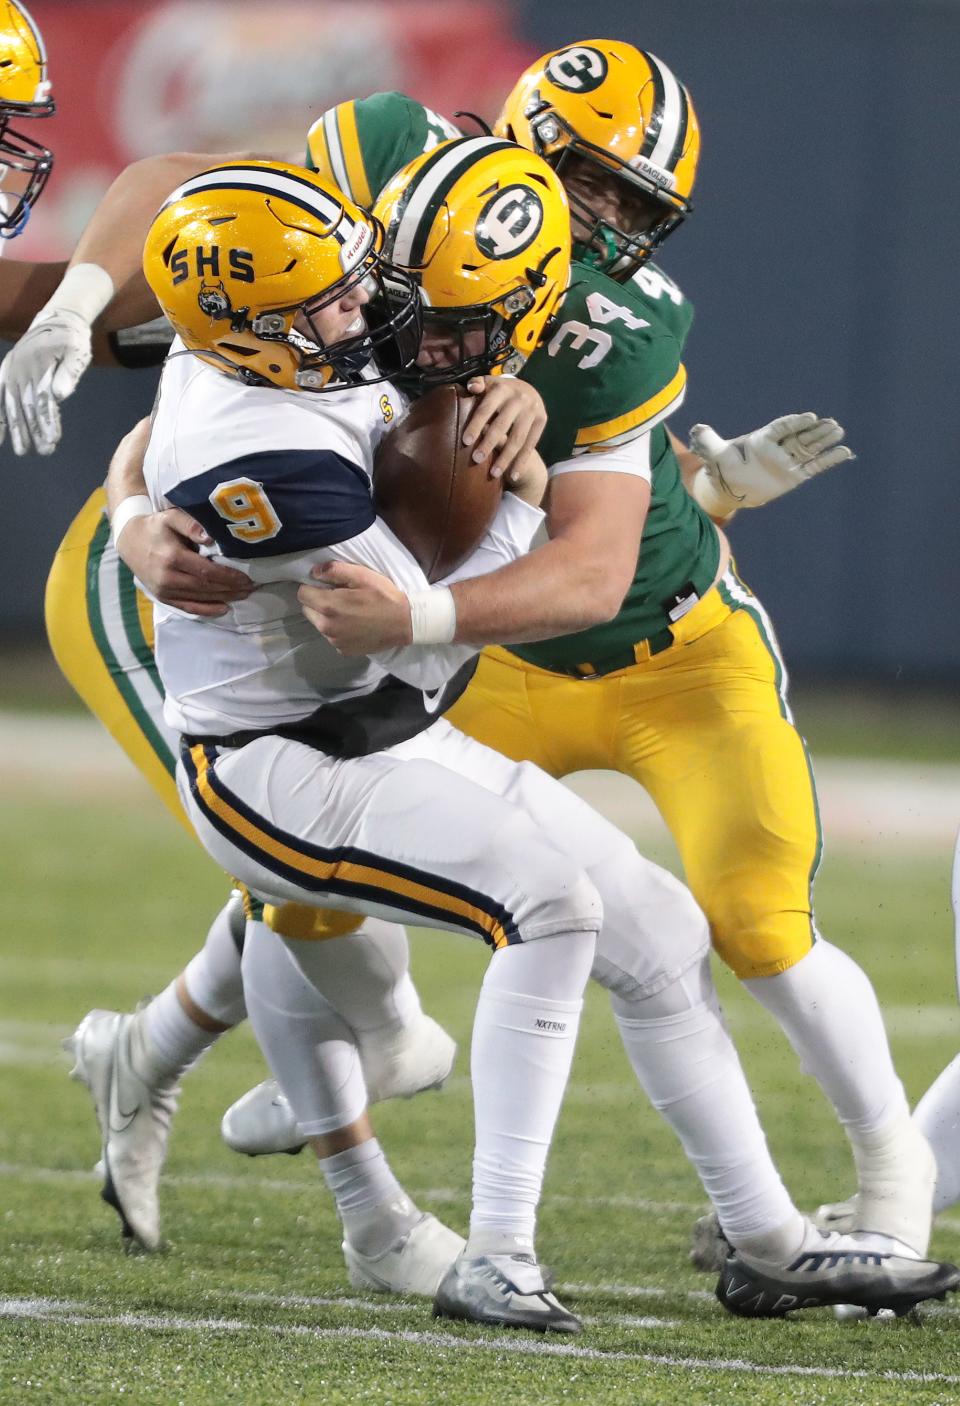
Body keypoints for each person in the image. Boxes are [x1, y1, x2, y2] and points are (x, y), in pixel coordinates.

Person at [0, 40, 941, 1302]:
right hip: (311, 711)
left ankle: (771, 1237)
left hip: (396, 680)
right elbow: (386, 601)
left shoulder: (433, 319)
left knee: (665, 922)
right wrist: (118, 469)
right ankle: (435, 1228)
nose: (406, 339)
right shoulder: (318, 375)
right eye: (381, 308)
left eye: (632, 209)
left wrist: (657, 488)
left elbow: (546, 564)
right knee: (438, 924)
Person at [287, 48, 936, 1267]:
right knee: (293, 868)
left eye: (640, 206)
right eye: (597, 183)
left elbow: (591, 549)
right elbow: (247, 258)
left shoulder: (626, 320)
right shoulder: (387, 160)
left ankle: (896, 1181)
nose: (612, 222)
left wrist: (694, 489)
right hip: (505, 663)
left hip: (667, 656)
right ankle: (245, 1048)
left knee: (755, 920)